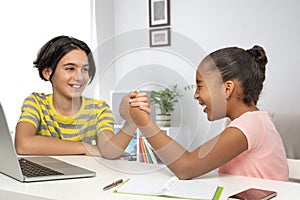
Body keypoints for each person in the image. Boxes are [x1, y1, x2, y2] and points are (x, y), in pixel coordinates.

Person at [124, 45, 289, 181]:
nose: (195, 94)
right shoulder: (250, 122)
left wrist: (145, 123)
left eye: (200, 85)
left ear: (227, 89)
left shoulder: (251, 125)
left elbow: (185, 167)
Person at [14, 35, 148, 158]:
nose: (79, 77)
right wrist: (83, 147)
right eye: (70, 68)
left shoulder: (98, 109)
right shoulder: (36, 103)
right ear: (48, 73)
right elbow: (23, 144)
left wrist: (131, 123)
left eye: (84, 69)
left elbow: (109, 151)